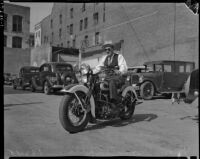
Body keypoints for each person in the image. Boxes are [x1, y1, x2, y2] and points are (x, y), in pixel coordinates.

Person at [93, 40, 128, 111]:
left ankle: (115, 103)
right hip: (107, 78)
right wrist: (90, 72)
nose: (107, 51)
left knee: (112, 82)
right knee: (97, 84)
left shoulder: (119, 56)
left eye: (109, 49)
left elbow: (123, 66)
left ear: (112, 49)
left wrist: (120, 71)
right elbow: (98, 67)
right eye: (105, 50)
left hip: (118, 77)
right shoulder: (104, 58)